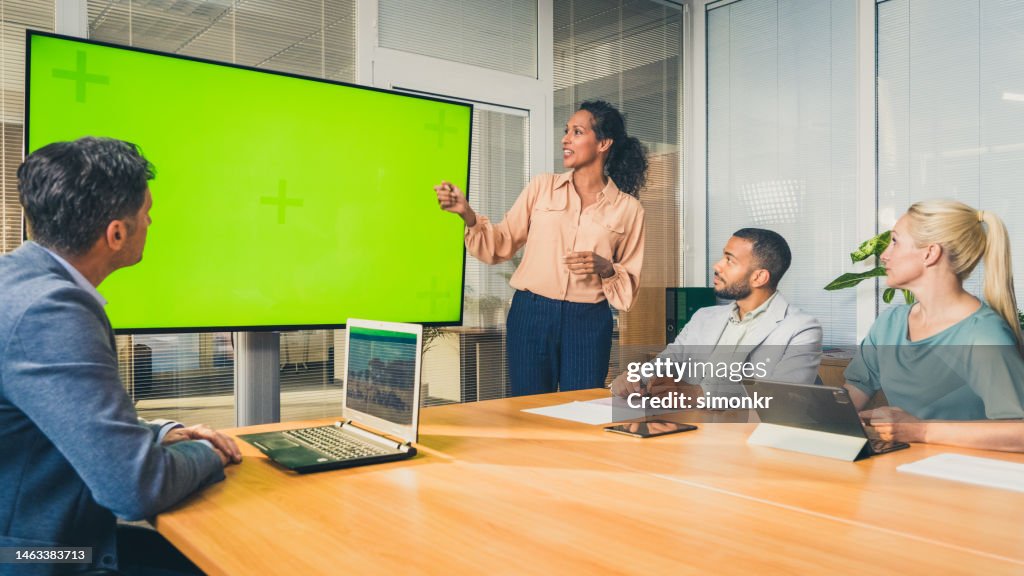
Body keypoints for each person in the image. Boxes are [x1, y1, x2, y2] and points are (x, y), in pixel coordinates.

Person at [0, 137, 241, 575]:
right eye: (146, 212)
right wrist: (210, 452)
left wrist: (160, 433)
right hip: (32, 557)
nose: (150, 221)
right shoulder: (49, 311)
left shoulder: (14, 280)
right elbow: (134, 488)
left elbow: (63, 420)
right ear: (116, 234)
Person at [436, 100, 648, 396]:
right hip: (531, 313)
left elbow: (628, 290)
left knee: (583, 406)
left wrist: (606, 267)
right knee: (527, 407)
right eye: (566, 131)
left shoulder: (629, 209)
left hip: (588, 321)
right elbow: (501, 243)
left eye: (577, 132)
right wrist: (467, 214)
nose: (565, 139)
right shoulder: (541, 188)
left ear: (603, 143)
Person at [846, 200, 1024, 442]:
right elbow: (852, 393)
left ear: (930, 253)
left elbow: (1018, 432)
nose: (885, 255)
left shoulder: (983, 335)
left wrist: (920, 430)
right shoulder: (889, 324)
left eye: (895, 241)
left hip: (964, 465)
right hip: (899, 461)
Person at [611, 228, 822, 398]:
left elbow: (784, 396)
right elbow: (669, 360)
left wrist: (699, 394)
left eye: (730, 260)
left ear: (759, 277)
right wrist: (636, 378)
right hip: (688, 425)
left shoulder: (800, 328)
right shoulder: (704, 316)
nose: (717, 265)